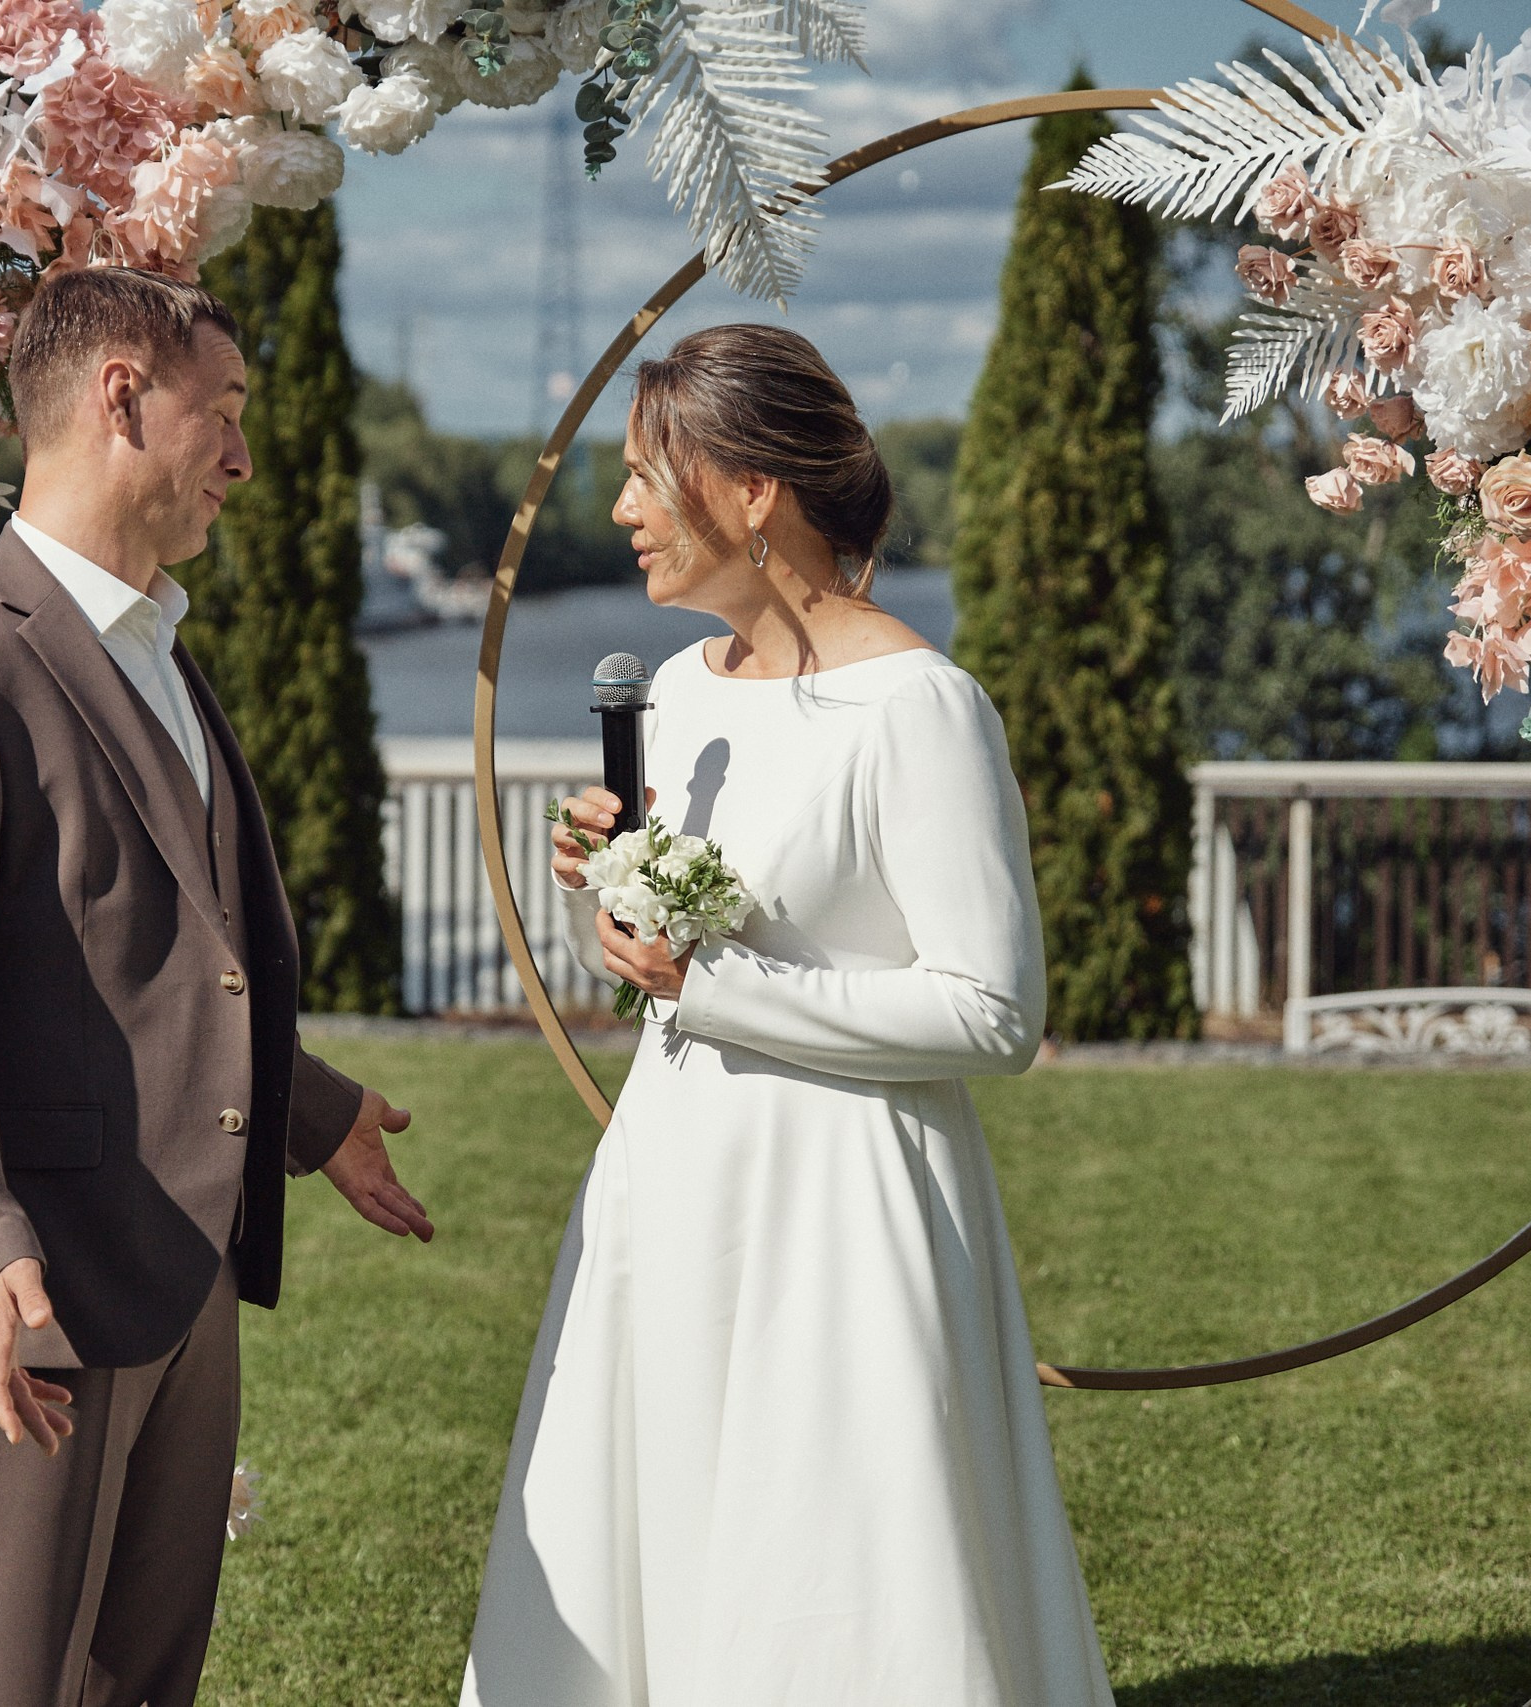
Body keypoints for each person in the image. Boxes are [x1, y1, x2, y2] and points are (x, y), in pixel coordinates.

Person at [459, 324, 1115, 1705]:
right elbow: (711, 934)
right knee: (659, 1507)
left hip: (843, 1201)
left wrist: (713, 984)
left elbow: (993, 1011)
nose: (625, 511)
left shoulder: (918, 710)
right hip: (672, 1169)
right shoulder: (682, 692)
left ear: (754, 488)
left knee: (828, 1549)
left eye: (651, 475)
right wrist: (625, 884)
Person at [0, 265, 436, 1707]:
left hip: (176, 1276)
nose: (239, 455)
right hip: (24, 1289)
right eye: (218, 414)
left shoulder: (155, 650)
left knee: (139, 1686)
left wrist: (311, 1112)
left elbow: (153, 951)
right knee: (0, 1688)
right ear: (119, 399)